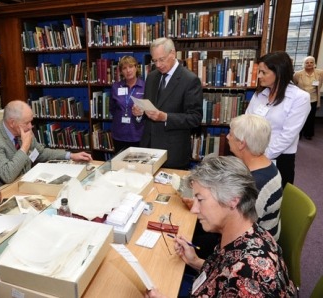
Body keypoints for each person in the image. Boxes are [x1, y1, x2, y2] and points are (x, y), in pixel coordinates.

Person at [146, 156, 295, 298]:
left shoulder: (250, 277)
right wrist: (195, 261)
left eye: (200, 199)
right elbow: (224, 274)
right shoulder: (243, 233)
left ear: (232, 201)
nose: (194, 209)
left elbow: (235, 279)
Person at [0, 100, 92, 187]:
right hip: (2, 191)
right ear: (12, 123)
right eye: (26, 123)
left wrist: (71, 155)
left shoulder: (24, 130)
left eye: (31, 121)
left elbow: (40, 153)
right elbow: (7, 176)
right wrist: (24, 147)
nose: (30, 126)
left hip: (26, 182)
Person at [132, 37, 203, 169]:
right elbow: (150, 107)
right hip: (148, 149)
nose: (158, 65)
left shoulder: (189, 80)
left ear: (173, 53)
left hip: (173, 153)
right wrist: (139, 112)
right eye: (154, 61)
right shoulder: (152, 77)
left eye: (161, 59)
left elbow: (195, 118)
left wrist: (165, 117)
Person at [245, 51, 310, 188]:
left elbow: (288, 136)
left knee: (274, 200)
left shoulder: (300, 98)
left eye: (264, 72)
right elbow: (247, 121)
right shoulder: (260, 94)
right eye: (259, 72)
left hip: (279, 158)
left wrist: (263, 156)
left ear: (279, 72)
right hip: (252, 153)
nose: (259, 76)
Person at [227, 114, 282, 240]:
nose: (227, 137)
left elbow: (236, 227)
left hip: (255, 245)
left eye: (230, 134)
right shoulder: (265, 165)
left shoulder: (255, 184)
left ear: (241, 144)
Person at [110, 56, 145, 153]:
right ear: (121, 71)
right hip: (119, 135)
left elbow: (149, 111)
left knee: (138, 166)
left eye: (130, 66)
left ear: (136, 67)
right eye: (124, 68)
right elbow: (112, 109)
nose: (128, 70)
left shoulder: (144, 87)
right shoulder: (116, 87)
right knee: (119, 165)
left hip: (138, 134)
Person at [293, 56, 323, 140]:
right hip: (301, 99)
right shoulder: (298, 74)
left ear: (314, 64)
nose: (309, 64)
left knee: (310, 117)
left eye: (311, 62)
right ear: (304, 64)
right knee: (299, 117)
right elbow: (294, 84)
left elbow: (320, 83)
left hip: (313, 99)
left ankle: (308, 134)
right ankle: (299, 134)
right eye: (307, 62)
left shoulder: (320, 73)